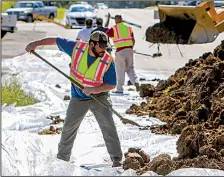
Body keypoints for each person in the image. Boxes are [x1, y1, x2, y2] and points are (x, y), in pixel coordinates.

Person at [25, 31, 123, 167]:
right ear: (92, 44)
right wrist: (36, 43)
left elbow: (111, 84)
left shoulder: (107, 60)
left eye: (106, 47)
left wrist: (94, 90)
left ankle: (117, 159)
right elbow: (56, 39)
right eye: (101, 47)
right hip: (78, 97)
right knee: (69, 128)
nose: (104, 50)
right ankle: (62, 160)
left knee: (108, 127)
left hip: (99, 97)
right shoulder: (77, 48)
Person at [106, 14, 139, 94]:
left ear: (115, 20)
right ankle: (136, 82)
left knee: (120, 70)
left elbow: (106, 34)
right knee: (130, 68)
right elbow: (133, 39)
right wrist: (131, 48)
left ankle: (120, 89)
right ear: (122, 19)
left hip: (120, 51)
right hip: (129, 50)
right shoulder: (128, 28)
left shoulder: (114, 28)